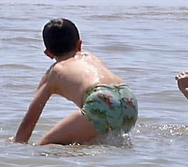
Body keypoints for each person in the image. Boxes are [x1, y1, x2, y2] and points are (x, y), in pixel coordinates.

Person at [14, 18, 139, 146]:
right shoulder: (90, 56)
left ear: (48, 53)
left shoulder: (54, 72)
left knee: (44, 146)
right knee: (93, 141)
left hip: (100, 99)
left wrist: (16, 144)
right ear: (79, 44)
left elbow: (28, 123)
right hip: (128, 99)